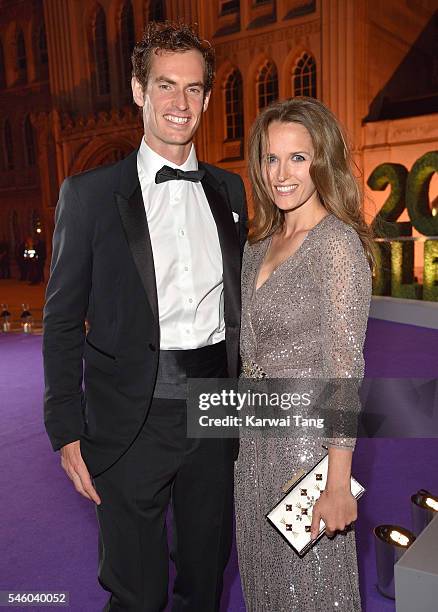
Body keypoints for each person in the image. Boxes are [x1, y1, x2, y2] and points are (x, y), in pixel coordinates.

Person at [43, 21, 247, 612]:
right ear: (138, 90)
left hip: (216, 407)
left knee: (205, 576)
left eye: (192, 89)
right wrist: (65, 427)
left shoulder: (231, 193)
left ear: (208, 98)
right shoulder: (88, 195)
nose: (179, 103)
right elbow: (60, 322)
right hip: (129, 414)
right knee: (136, 588)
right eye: (165, 85)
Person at [235, 97, 373, 611]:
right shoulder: (257, 244)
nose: (282, 173)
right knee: (264, 589)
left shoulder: (336, 245)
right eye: (271, 158)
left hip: (305, 456)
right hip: (250, 453)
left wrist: (338, 483)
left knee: (312, 596)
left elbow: (345, 369)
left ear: (323, 161)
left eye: (298, 157)